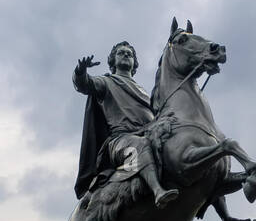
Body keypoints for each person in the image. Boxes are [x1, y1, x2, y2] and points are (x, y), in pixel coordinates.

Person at [72, 41, 177, 209]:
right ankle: (158, 191)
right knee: (140, 145)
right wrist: (80, 71)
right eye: (121, 53)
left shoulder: (143, 90)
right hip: (120, 141)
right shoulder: (106, 82)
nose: (126, 55)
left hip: (147, 134)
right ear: (113, 61)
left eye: (130, 54)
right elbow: (84, 84)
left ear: (135, 63)